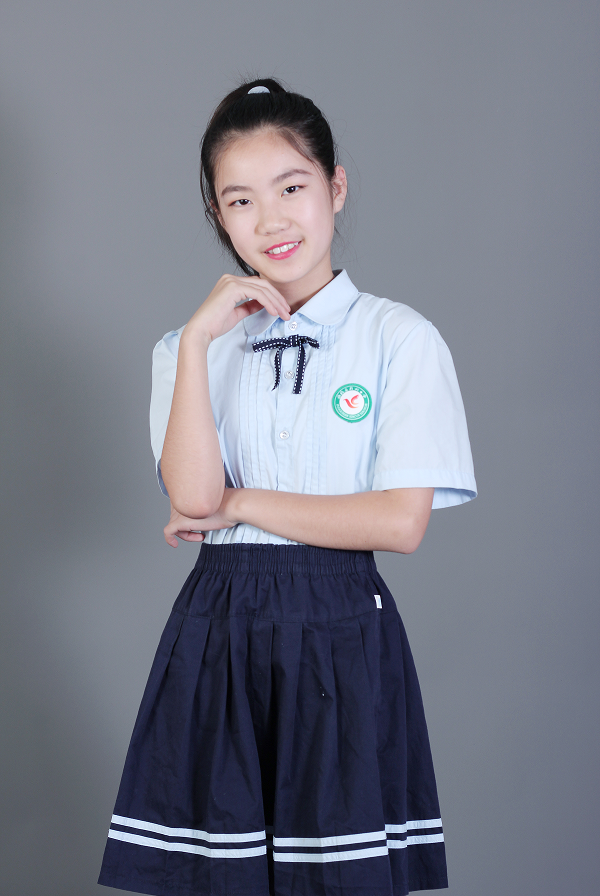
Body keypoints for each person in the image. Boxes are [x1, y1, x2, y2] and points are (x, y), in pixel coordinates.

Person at [98, 77, 477, 896]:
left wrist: (238, 505)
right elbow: (192, 496)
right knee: (216, 877)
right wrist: (197, 342)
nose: (270, 221)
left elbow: (400, 523)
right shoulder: (184, 350)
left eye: (292, 188)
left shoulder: (398, 338)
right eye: (240, 201)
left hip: (341, 626)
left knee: (336, 876)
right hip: (217, 628)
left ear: (336, 188)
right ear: (218, 216)